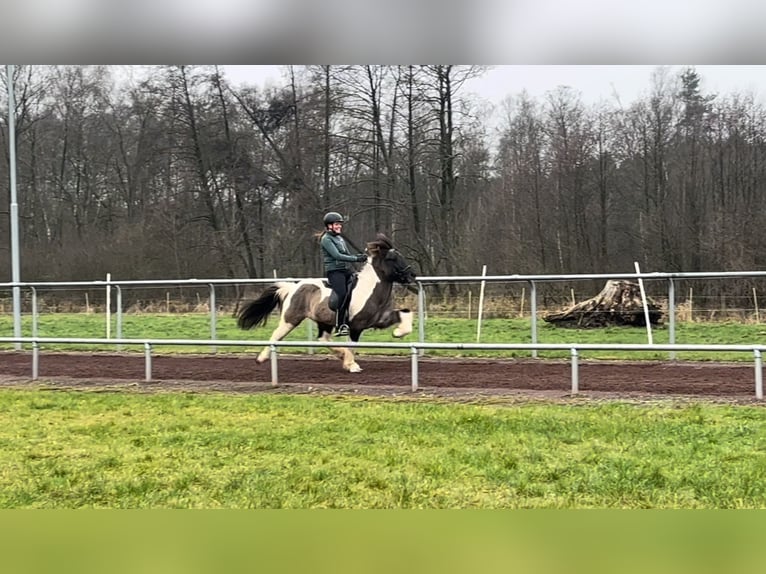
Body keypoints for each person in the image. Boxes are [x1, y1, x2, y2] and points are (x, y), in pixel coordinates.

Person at [320, 212, 367, 336]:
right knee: (342, 294)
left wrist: (359, 258)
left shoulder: (340, 238)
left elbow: (347, 254)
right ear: (329, 226)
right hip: (335, 272)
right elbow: (337, 256)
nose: (339, 226)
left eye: (340, 224)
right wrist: (356, 259)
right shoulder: (326, 239)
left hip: (346, 270)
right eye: (337, 224)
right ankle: (340, 324)